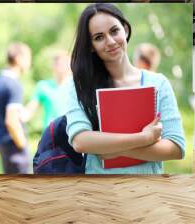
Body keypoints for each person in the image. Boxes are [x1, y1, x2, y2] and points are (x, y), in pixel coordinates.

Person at [64, 3, 185, 174]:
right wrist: (143, 138)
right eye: (99, 37)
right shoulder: (79, 85)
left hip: (148, 190)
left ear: (125, 30)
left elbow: (176, 147)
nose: (111, 42)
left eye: (114, 31)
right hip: (100, 192)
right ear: (91, 45)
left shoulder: (158, 83)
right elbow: (80, 141)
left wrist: (115, 149)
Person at [0, 42, 31, 174]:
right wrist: (22, 145)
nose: (30, 62)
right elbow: (11, 121)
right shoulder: (14, 84)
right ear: (18, 58)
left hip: (2, 145)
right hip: (15, 148)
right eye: (28, 58)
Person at [22, 50, 72, 129]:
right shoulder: (43, 86)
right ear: (53, 66)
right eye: (59, 64)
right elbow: (28, 112)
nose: (62, 67)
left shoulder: (76, 86)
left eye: (65, 63)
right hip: (50, 134)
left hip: (71, 132)